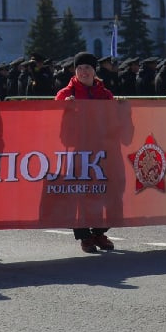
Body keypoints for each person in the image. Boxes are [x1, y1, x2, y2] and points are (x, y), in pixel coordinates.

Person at [55, 52, 117, 252]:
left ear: (94, 71)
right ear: (75, 70)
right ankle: (84, 236)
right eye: (80, 68)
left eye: (88, 68)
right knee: (79, 192)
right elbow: (54, 114)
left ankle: (99, 232)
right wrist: (64, 108)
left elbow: (114, 117)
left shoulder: (104, 93)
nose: (84, 72)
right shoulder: (66, 93)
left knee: (102, 190)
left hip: (100, 148)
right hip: (76, 148)